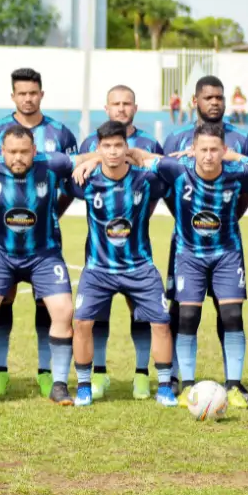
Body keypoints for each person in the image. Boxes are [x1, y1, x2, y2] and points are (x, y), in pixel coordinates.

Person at [0, 126, 76, 404]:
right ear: (1, 152)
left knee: (64, 311)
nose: (18, 158)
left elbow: (93, 157)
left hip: (44, 254)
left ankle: (59, 384)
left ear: (34, 151)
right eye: (12, 152)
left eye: (24, 152)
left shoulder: (53, 163)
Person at [136, 122, 248, 407]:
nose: (208, 156)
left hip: (227, 254)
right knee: (187, 318)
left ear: (224, 151)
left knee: (232, 316)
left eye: (215, 150)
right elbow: (140, 159)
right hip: (188, 254)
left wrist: (239, 158)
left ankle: (234, 387)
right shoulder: (176, 170)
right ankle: (188, 385)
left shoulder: (237, 173)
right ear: (192, 150)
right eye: (202, 149)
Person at [0, 68, 77, 398]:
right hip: (0, 246)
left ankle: (52, 376)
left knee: (52, 309)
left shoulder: (59, 137)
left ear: (41, 94)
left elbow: (75, 176)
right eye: (22, 93)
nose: (28, 98)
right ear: (13, 96)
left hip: (45, 246)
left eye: (33, 92)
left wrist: (51, 212)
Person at [68, 122, 174, 406]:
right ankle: (83, 386)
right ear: (98, 148)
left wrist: (142, 155)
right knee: (80, 323)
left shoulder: (145, 179)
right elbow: (53, 170)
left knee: (162, 322)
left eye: (118, 146)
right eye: (107, 147)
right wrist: (89, 162)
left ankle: (164, 387)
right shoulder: (87, 181)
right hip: (98, 269)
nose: (113, 152)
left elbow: (176, 167)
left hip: (139, 267)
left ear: (127, 147)